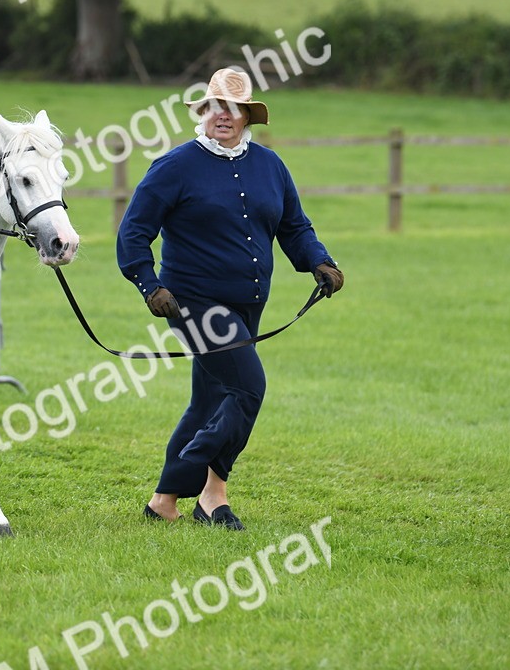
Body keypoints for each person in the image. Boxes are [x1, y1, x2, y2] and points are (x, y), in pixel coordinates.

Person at [116, 68, 344, 530]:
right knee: (247, 388)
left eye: (235, 107)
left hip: (249, 302)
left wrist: (319, 261)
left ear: (247, 117)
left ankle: (166, 502)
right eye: (217, 105)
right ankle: (203, 486)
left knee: (210, 401)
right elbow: (133, 232)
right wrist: (149, 284)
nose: (225, 114)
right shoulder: (174, 166)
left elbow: (294, 226)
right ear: (203, 111)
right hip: (193, 304)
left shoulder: (270, 165)